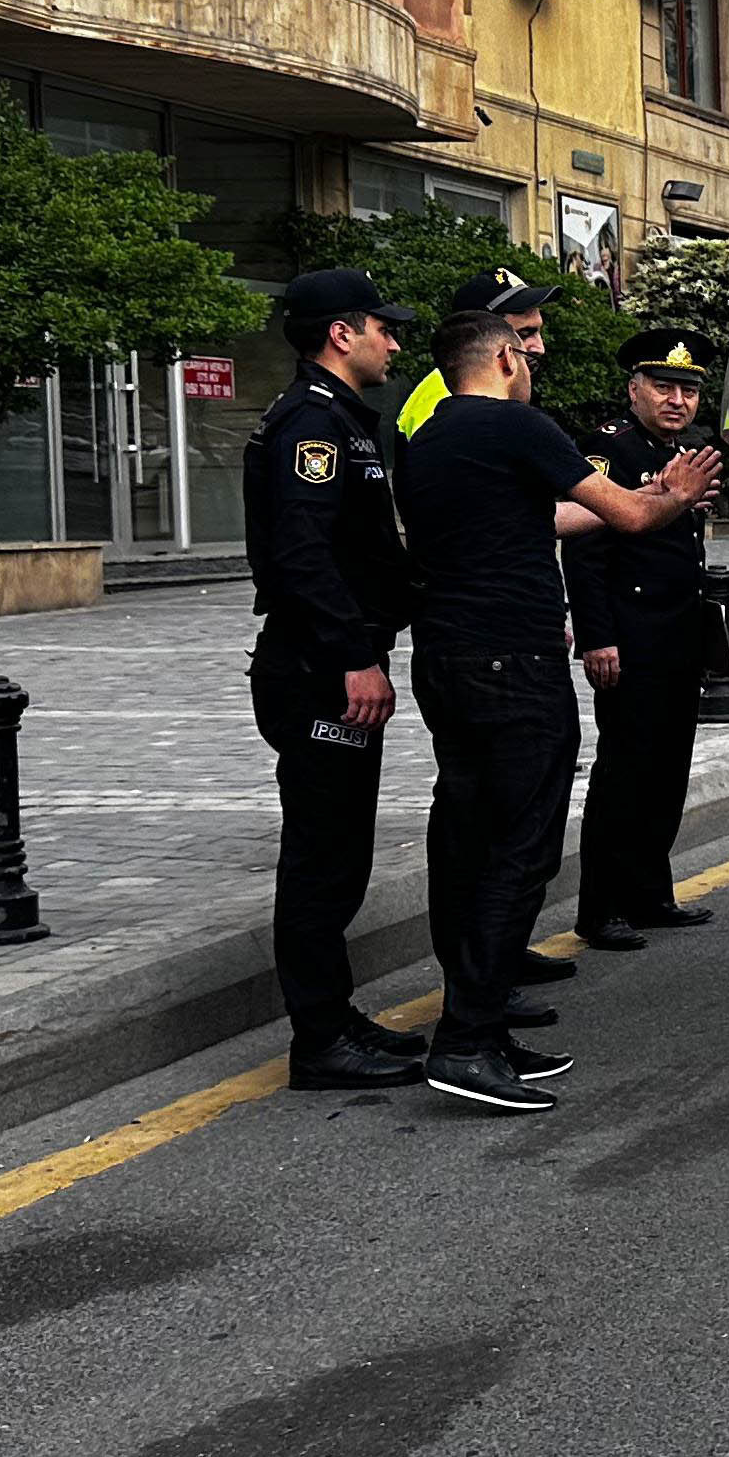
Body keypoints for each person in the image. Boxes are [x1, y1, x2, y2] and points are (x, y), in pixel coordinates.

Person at [393, 310, 719, 1113]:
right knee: (522, 848)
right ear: (505, 359)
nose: (534, 363)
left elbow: (546, 518)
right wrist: (670, 494)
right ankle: (468, 1039)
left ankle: (482, 1025)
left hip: (449, 659)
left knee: (472, 839)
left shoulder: (431, 433)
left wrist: (640, 493)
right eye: (526, 353)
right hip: (515, 664)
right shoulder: (518, 424)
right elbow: (635, 521)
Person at [243, 268, 435, 1089]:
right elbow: (301, 555)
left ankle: (334, 1016)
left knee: (343, 855)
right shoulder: (309, 427)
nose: (394, 342)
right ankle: (318, 1041)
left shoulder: (345, 420)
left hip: (336, 658)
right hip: (320, 669)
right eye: (382, 328)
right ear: (341, 333)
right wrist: (353, 655)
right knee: (322, 861)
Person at [566, 328, 726, 953]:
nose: (676, 400)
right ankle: (600, 907)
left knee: (668, 770)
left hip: (678, 633)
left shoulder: (692, 451)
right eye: (663, 386)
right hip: (628, 639)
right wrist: (597, 638)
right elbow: (584, 551)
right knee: (625, 773)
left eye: (688, 389)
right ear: (634, 388)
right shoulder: (607, 451)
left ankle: (649, 893)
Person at [388, 268, 556, 441]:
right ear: (483, 335)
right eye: (525, 333)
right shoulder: (444, 398)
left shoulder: (475, 390)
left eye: (538, 332)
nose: (540, 347)